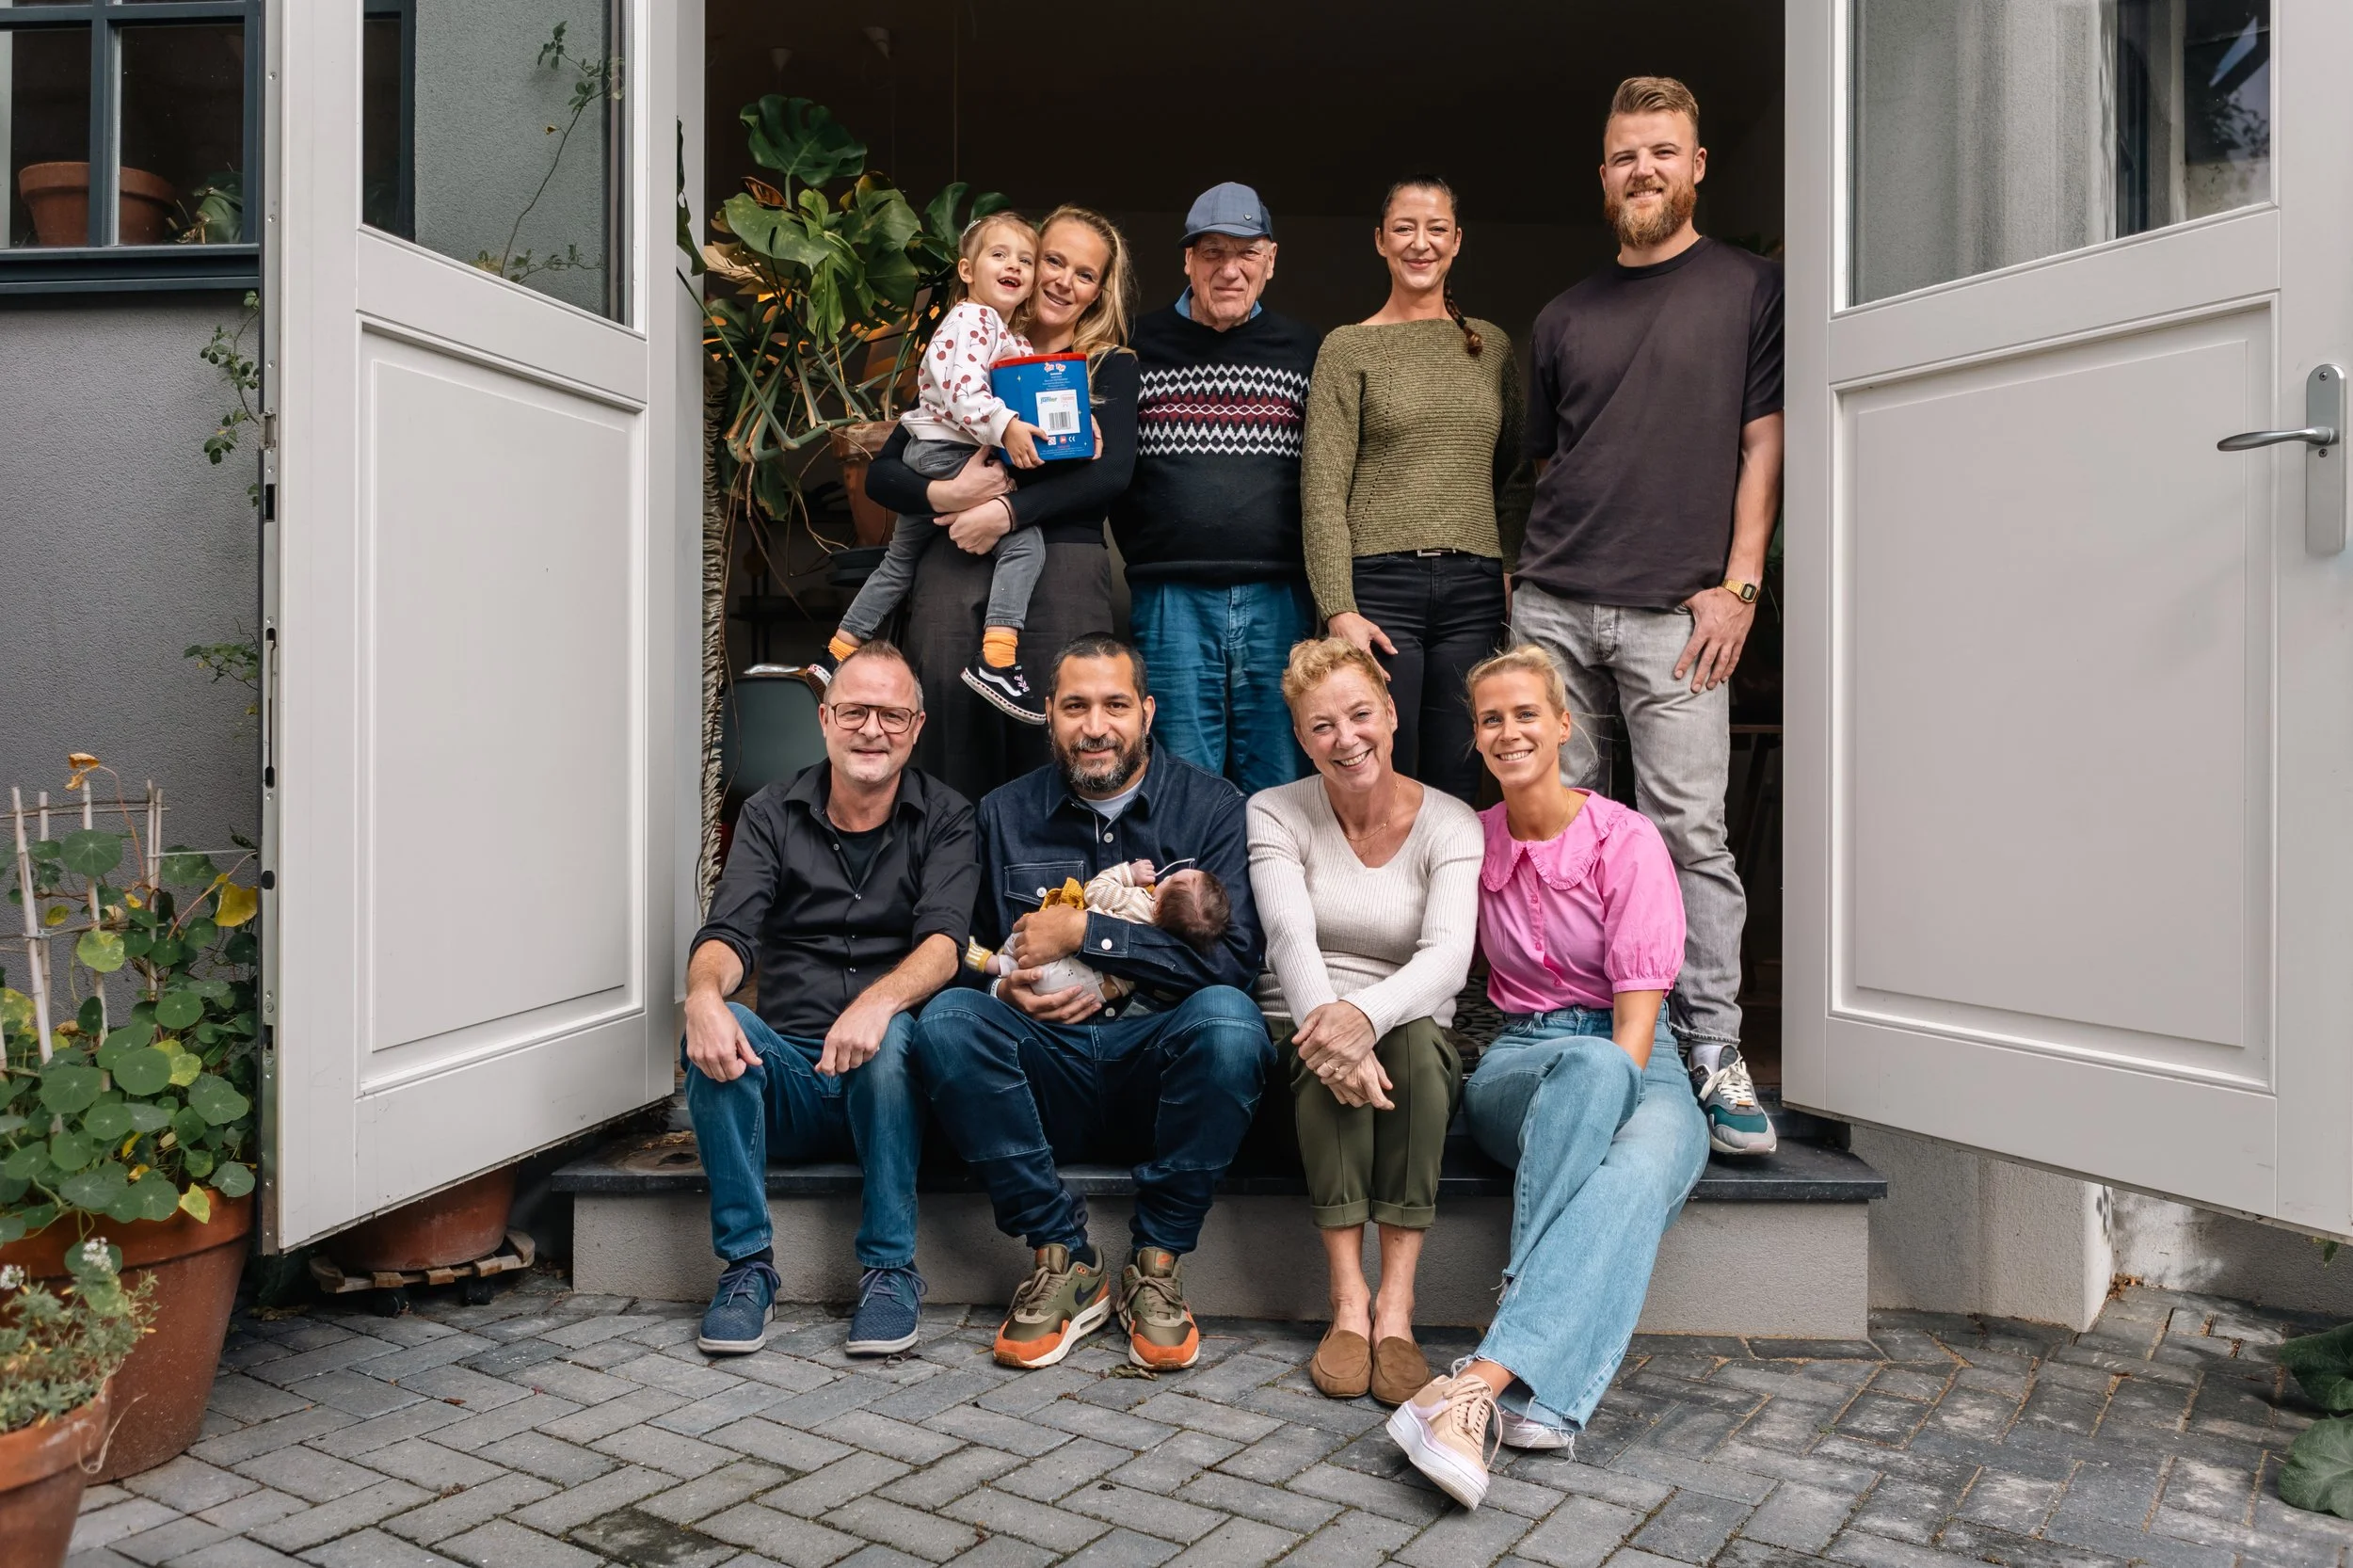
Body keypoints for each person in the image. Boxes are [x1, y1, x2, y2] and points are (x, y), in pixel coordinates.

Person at [1515, 76, 1783, 1156]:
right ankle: (1578, 1037)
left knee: (1688, 836)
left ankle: (1710, 1047)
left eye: (1663, 152)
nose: (1644, 171)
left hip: (1682, 611)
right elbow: (1544, 466)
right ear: (1603, 173)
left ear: (1697, 165)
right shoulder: (1561, 317)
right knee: (1557, 833)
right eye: (1626, 154)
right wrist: (1517, 588)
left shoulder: (1750, 287)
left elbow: (1763, 443)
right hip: (1553, 601)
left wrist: (1743, 585)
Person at [1385, 647, 1705, 1510]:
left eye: (1527, 713)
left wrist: (1615, 1105)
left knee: (1638, 1171)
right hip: (1521, 1062)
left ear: (1563, 725)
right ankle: (1503, 1384)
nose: (1509, 730)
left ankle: (1495, 1392)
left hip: (1642, 1057)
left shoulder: (1623, 839)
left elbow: (1636, 1021)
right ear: (1477, 740)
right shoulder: (1467, 840)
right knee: (1594, 1082)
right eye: (1491, 718)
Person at [911, 633, 1273, 1373]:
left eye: (1114, 705)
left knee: (1233, 1027)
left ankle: (1157, 1266)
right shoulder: (1003, 814)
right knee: (947, 1023)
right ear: (1048, 712)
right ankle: (1064, 1257)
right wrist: (995, 983)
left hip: (1160, 1068)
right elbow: (960, 947)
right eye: (1075, 706)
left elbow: (1233, 964)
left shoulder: (1213, 808)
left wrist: (1091, 933)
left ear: (1146, 711)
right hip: (1046, 1071)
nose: (1095, 725)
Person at [680, 643, 978, 1357]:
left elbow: (945, 944)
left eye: (891, 715)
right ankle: (747, 1268)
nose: (872, 729)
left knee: (896, 1036)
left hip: (890, 1091)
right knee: (725, 1027)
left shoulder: (946, 816)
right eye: (855, 711)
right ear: (825, 719)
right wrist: (701, 995)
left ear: (917, 726)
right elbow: (729, 933)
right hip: (793, 1082)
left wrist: (877, 1004)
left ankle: (888, 1271)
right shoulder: (769, 814)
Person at [1248, 638, 1481, 1407]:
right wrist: (1332, 1030)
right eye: (1321, 727)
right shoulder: (1275, 811)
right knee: (1321, 1059)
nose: (1345, 739)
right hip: (1303, 1016)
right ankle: (1349, 1302)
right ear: (1300, 738)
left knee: (1414, 1050)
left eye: (1359, 716)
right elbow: (1289, 939)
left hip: (1408, 1017)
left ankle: (1398, 1310)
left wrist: (1363, 1017)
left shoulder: (1451, 822)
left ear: (1389, 713)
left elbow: (1448, 957)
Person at [866, 206, 1140, 803]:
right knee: (947, 739)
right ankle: (950, 887)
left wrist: (1007, 512)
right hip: (953, 559)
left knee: (1059, 742)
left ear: (1099, 293)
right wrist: (946, 493)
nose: (1065, 281)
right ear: (1022, 263)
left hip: (1062, 568)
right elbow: (884, 474)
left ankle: (1054, 892)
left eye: (1085, 274)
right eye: (1054, 261)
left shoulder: (1107, 366)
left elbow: (1111, 475)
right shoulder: (974, 352)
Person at [1303, 177, 1528, 804]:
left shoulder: (1491, 347)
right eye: (1404, 228)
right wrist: (1338, 608)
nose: (1420, 244)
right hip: (1380, 590)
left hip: (1474, 592)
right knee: (1379, 769)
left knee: (1462, 769)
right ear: (1381, 241)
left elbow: (1514, 475)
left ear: (1457, 242)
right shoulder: (1347, 348)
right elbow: (1322, 488)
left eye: (1435, 229)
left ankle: (1449, 905)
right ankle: (1378, 906)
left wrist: (1508, 568)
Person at [1114, 182, 1324, 795]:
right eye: (1211, 253)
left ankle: (1272, 898)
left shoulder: (1306, 350)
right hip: (1170, 595)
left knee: (1282, 780)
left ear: (1271, 261)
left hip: (1278, 596)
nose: (1228, 270)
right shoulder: (1133, 347)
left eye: (1246, 254)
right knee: (1182, 783)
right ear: (1187, 261)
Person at [824, 212, 1056, 723]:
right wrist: (1006, 425)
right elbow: (961, 391)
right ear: (968, 270)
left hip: (940, 453)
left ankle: (838, 651)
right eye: (1000, 255)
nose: (1014, 266)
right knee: (1024, 542)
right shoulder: (970, 320)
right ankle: (997, 658)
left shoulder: (1004, 333)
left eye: (1026, 259)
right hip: (946, 454)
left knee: (898, 562)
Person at [967, 858, 1231, 1006]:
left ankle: (989, 961)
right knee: (1036, 972)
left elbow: (1096, 890)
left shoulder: (1137, 902)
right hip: (1087, 993)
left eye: (1172, 879)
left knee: (1026, 943)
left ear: (1159, 903)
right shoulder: (1172, 940)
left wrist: (1127, 874)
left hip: (1059, 970)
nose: (1165, 877)